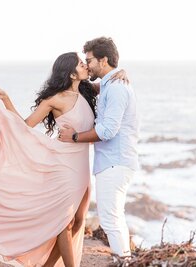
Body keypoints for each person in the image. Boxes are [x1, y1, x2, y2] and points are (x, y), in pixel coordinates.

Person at [0, 52, 125, 266]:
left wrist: (120, 72)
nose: (85, 65)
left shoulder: (87, 91)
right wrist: (6, 99)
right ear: (71, 73)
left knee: (78, 222)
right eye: (80, 63)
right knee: (64, 223)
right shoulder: (54, 99)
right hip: (64, 167)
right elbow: (24, 126)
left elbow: (109, 83)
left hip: (82, 167)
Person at [58, 37, 139, 258]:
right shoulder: (109, 84)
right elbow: (85, 85)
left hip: (115, 162)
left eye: (89, 60)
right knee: (115, 217)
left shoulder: (116, 88)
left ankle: (123, 261)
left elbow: (107, 131)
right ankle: (125, 260)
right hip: (113, 162)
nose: (87, 64)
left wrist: (74, 136)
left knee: (110, 218)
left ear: (103, 60)